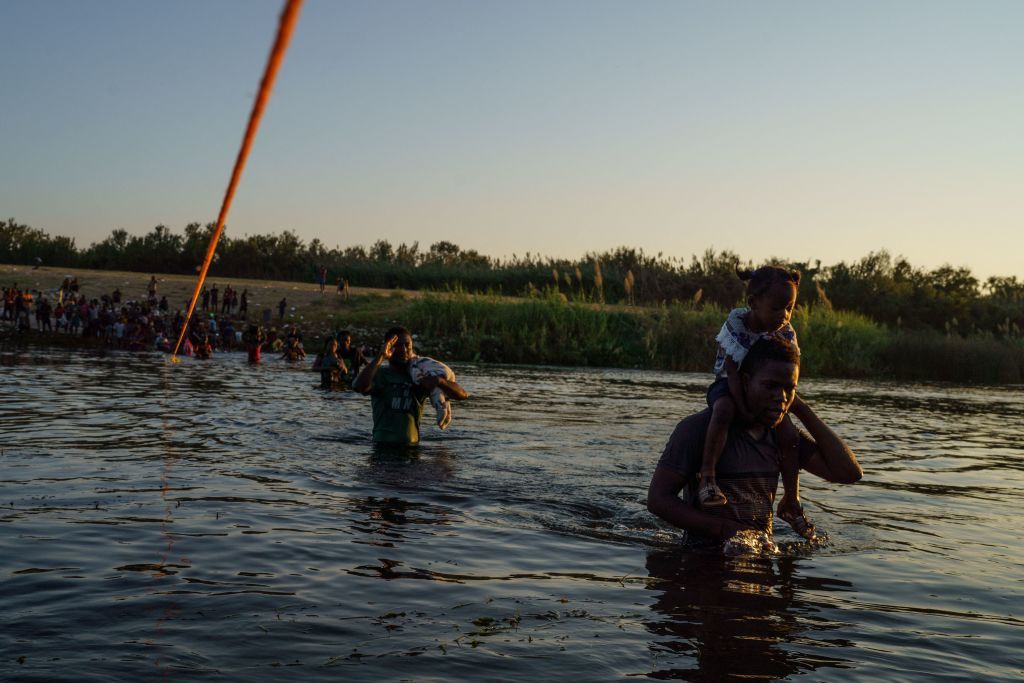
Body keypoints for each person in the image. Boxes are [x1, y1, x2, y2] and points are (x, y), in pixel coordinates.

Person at [647, 336, 862, 545]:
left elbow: (848, 473)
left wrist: (801, 409)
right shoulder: (699, 429)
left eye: (790, 388)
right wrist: (724, 529)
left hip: (761, 559)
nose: (781, 396)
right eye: (771, 386)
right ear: (746, 381)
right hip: (701, 561)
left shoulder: (785, 438)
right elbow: (658, 499)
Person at [699, 265, 814, 538]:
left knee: (788, 432)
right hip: (730, 385)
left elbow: (790, 374)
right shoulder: (737, 323)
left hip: (764, 392)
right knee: (724, 409)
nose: (784, 315)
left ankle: (792, 500)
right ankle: (707, 477)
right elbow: (733, 372)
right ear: (753, 303)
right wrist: (746, 411)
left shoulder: (785, 332)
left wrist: (782, 410)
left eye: (790, 308)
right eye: (777, 308)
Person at [353, 326, 468, 446]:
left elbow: (462, 395)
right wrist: (381, 356)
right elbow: (358, 386)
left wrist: (440, 381)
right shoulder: (380, 374)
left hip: (412, 450)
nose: (403, 349)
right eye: (397, 345)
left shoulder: (419, 376)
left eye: (407, 345)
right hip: (382, 448)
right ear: (388, 348)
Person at [408, 355, 459, 429]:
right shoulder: (419, 358)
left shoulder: (410, 364)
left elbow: (417, 375)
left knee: (435, 392)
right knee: (446, 398)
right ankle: (448, 417)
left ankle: (441, 410)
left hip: (437, 372)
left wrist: (420, 380)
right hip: (449, 372)